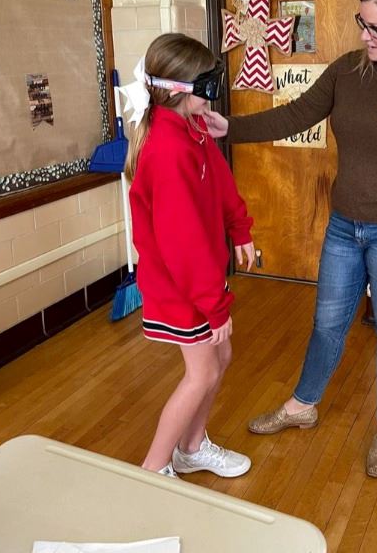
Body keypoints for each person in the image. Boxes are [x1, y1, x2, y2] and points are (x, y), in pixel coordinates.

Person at [205, 0, 377, 478]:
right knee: (327, 322)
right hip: (345, 227)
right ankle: (303, 406)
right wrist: (229, 128)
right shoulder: (350, 71)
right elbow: (296, 114)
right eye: (361, 24)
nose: (365, 36)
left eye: (375, 28)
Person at [122, 33, 255, 479]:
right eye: (206, 81)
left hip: (197, 281)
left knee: (221, 357)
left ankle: (192, 447)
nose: (214, 87)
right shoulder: (166, 149)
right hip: (179, 286)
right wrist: (214, 309)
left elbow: (220, 185)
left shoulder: (192, 131)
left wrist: (240, 229)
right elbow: (183, 243)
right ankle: (154, 470)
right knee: (201, 372)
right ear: (178, 89)